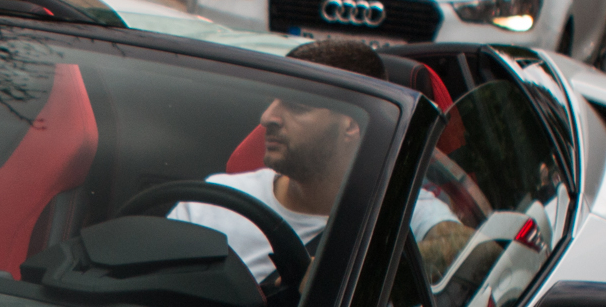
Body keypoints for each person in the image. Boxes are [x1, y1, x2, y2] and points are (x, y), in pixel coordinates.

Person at [169, 40, 461, 286]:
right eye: (274, 99)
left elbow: (474, 252)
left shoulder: (400, 213)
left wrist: (338, 274)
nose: (267, 117)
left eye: (297, 106)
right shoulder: (212, 203)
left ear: (352, 124)